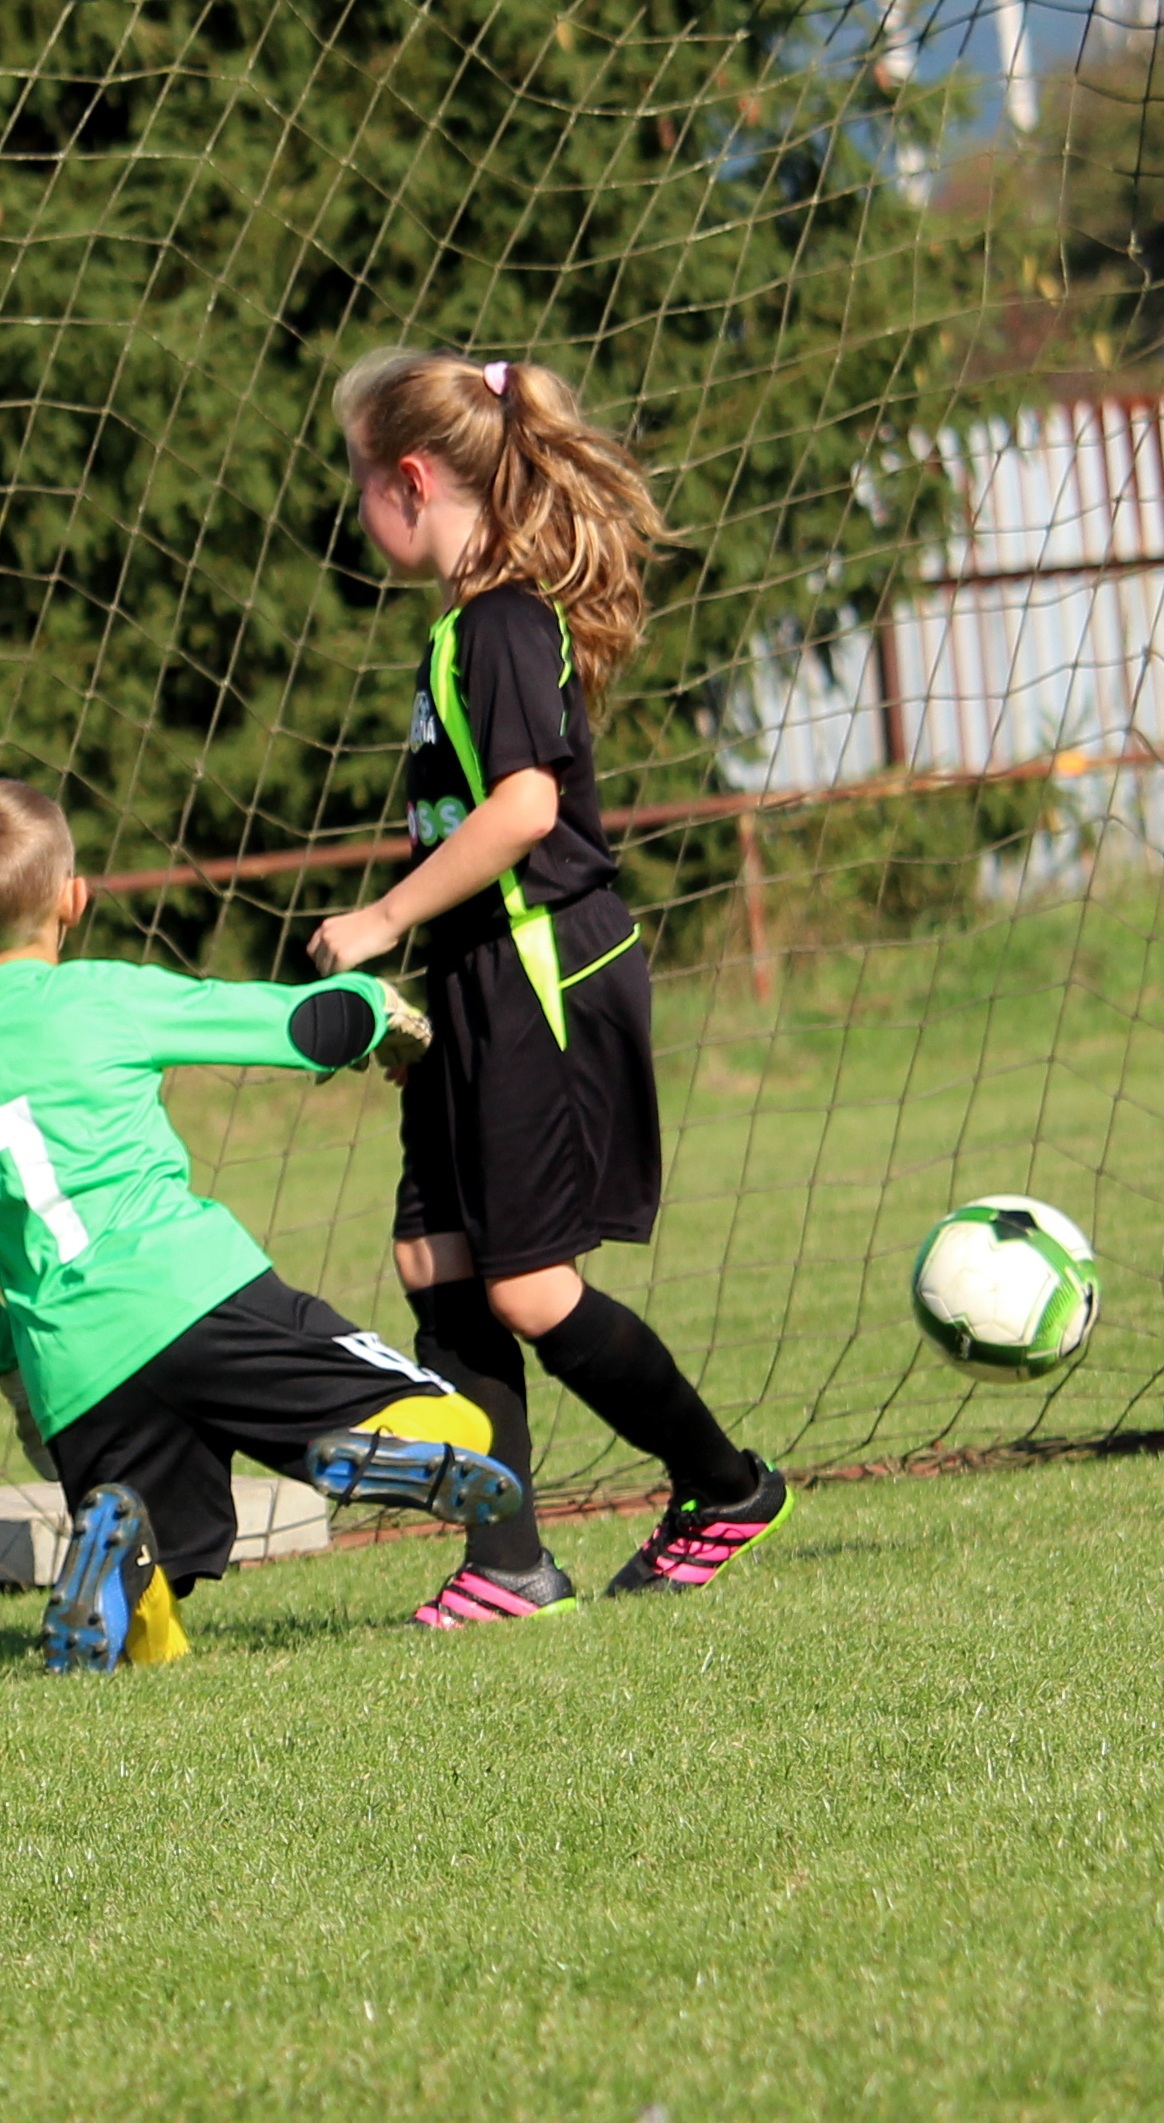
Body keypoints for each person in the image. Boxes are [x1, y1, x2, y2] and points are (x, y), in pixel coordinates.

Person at [309, 349, 792, 1628]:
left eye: (358, 480)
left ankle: (723, 1483)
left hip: (546, 975)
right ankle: (507, 1559)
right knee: (435, 1255)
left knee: (526, 1285)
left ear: (410, 478)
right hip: (476, 981)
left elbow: (525, 807)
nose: (355, 509)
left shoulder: (505, 622)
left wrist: (382, 917)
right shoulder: (461, 627)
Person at [0, 777, 527, 1671]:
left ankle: (123, 1559)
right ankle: (370, 1448)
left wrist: (12, 1373)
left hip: (74, 1368)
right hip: (203, 1298)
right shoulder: (101, 997)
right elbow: (283, 1022)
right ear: (74, 899)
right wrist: (375, 1015)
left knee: (148, 1605)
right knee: (461, 1424)